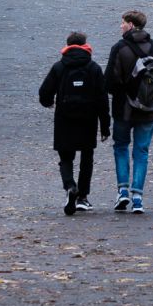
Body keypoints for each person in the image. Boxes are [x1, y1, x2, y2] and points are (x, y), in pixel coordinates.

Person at [104, 10, 153, 213]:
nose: (121, 26)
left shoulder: (120, 48)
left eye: (123, 23)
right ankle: (138, 197)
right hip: (149, 110)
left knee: (121, 147)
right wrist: (150, 95)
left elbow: (110, 81)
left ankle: (122, 191)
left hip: (123, 110)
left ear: (131, 25)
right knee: (142, 151)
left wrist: (123, 93)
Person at [39, 32, 110, 216]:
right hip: (88, 119)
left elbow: (44, 92)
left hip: (65, 118)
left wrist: (49, 102)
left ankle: (70, 186)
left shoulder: (59, 67)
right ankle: (82, 198)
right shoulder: (93, 68)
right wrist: (105, 126)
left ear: (68, 45)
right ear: (85, 45)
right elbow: (102, 99)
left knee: (66, 157)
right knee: (87, 158)